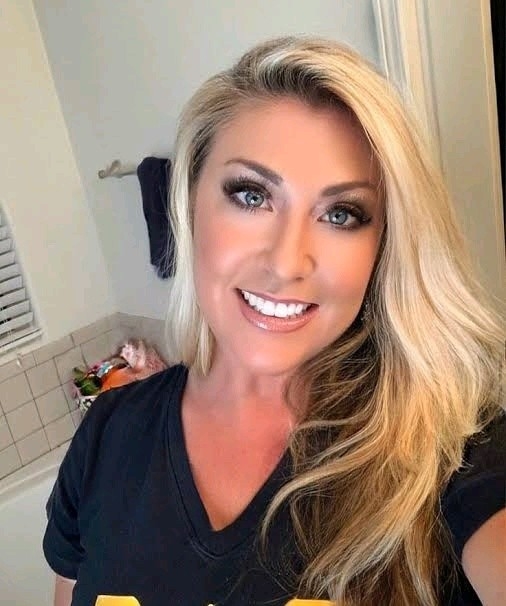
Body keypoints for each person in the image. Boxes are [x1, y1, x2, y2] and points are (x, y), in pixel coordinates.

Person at [43, 37, 505, 606]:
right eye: (251, 195)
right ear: (189, 207)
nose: (287, 264)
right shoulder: (106, 435)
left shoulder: (453, 449)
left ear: (383, 246)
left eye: (342, 214)